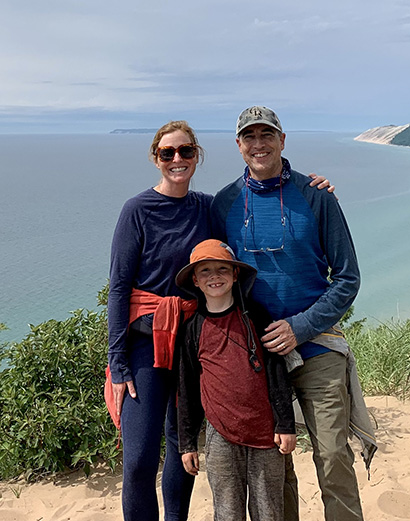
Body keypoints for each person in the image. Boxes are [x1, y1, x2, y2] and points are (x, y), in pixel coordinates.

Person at [107, 119, 333, 521]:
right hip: (146, 343)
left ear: (197, 156)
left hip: (192, 341)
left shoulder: (207, 207)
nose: (178, 159)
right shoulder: (136, 210)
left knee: (182, 445)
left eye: (186, 151)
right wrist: (119, 363)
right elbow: (119, 289)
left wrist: (310, 187)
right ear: (156, 159)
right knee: (140, 458)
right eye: (168, 153)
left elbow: (239, 236)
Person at [211, 106, 377, 521]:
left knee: (332, 456)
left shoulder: (317, 196)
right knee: (274, 465)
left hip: (317, 347)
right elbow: (209, 270)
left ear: (282, 141)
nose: (259, 144)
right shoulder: (224, 203)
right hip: (259, 355)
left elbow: (347, 278)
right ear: (238, 146)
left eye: (267, 135)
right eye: (249, 137)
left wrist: (300, 327)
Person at [175, 239, 296, 521]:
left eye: (222, 269)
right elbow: (188, 389)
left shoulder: (257, 317)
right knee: (227, 512)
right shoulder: (192, 329)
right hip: (220, 434)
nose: (214, 276)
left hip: (267, 432)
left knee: (269, 511)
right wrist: (187, 444)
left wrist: (286, 424)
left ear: (235, 274)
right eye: (205, 271)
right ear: (195, 279)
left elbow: (277, 373)